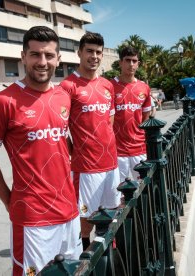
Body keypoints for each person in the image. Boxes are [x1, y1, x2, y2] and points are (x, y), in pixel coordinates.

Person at [0, 26, 81, 275]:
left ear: (58, 59)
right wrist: (8, 199)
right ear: (23, 57)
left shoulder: (63, 97)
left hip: (70, 211)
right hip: (33, 218)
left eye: (48, 55)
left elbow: (61, 143)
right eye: (35, 55)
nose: (42, 62)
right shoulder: (3, 102)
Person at [59, 32, 120, 250]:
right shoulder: (67, 86)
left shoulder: (107, 85)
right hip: (86, 168)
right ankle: (86, 262)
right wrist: (74, 152)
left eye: (98, 52)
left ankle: (110, 258)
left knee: (111, 213)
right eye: (89, 51)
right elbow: (60, 129)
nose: (94, 56)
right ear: (79, 53)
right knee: (85, 222)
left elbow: (109, 121)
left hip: (111, 163)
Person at [112, 46, 152, 182]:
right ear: (120, 63)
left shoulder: (144, 88)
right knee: (120, 193)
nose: (131, 64)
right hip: (117, 151)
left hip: (139, 149)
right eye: (127, 60)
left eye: (134, 61)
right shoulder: (109, 87)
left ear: (138, 64)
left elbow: (146, 119)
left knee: (144, 189)